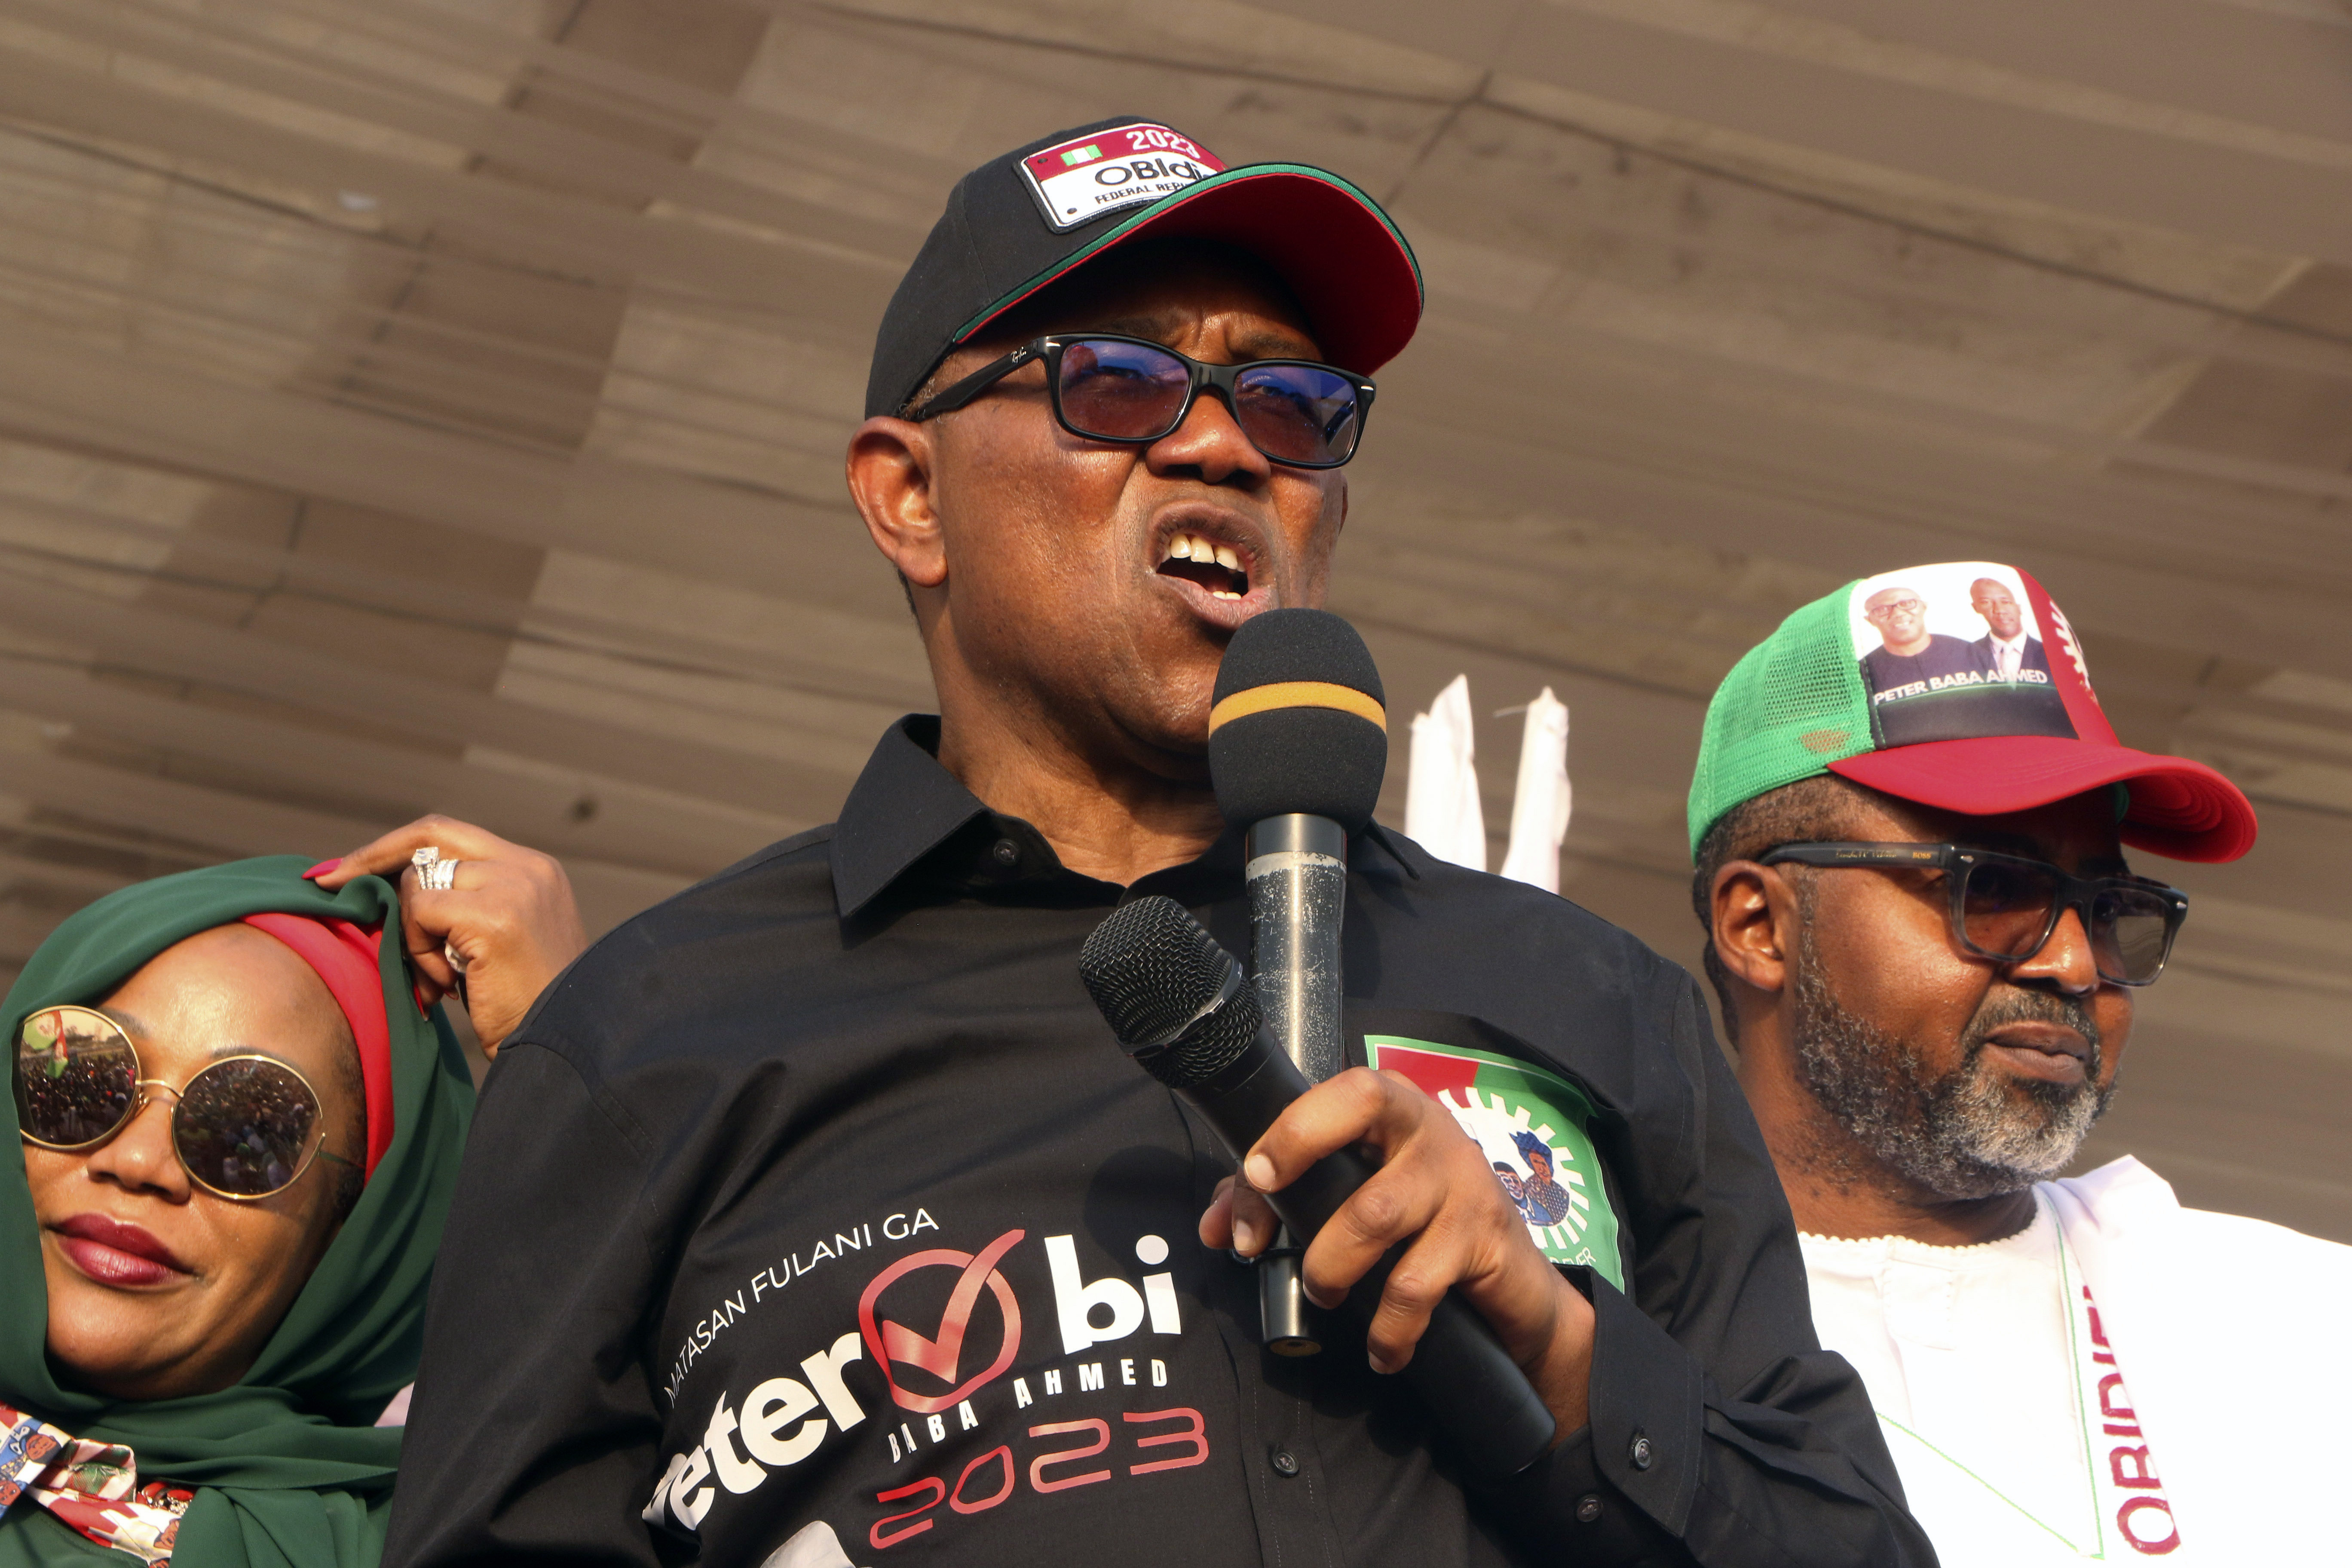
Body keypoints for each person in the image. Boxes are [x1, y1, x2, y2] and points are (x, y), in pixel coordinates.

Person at [381, 117, 1927, 1568]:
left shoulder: (1589, 999)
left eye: (1289, 405)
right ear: (905, 494)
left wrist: (1551, 1335)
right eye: (1115, 385)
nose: (1223, 449)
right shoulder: (655, 1033)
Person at [1688, 559, 2351, 1564]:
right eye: (1991, 885)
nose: (2074, 963)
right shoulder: (1596, 1321)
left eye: (2104, 909)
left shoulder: (2297, 1329)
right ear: (1758, 925)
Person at [2, 820, 585, 1568]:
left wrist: (571, 1067)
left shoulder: (430, 1544)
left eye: (249, 1129)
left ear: (351, 1232)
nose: (140, 1160)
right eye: (83, 1076)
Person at [1857, 585, 1975, 697]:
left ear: (1924, 606)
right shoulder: (1860, 675)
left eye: (1907, 604)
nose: (1898, 613)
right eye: (1882, 609)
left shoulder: (1970, 653)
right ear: (1870, 620)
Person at [1965, 577, 2049, 682]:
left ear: (2019, 608)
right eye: (1986, 603)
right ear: (1976, 608)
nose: (2000, 610)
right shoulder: (1967, 656)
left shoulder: (2050, 654)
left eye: (2006, 602)